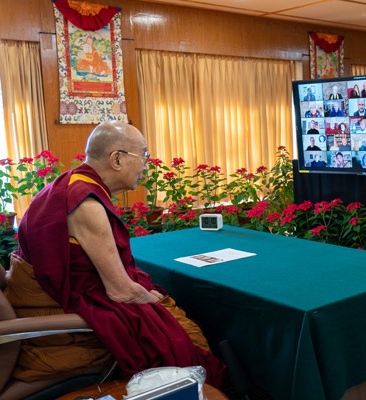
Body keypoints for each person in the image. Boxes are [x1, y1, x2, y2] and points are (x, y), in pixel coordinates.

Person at [14, 121, 224, 385]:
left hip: (55, 293)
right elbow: (120, 291)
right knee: (184, 339)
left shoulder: (74, 182)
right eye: (144, 156)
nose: (146, 166)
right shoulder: (85, 202)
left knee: (163, 305)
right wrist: (151, 299)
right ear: (116, 159)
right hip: (59, 307)